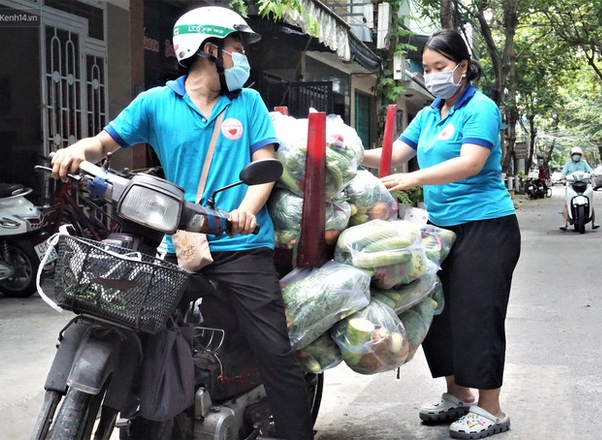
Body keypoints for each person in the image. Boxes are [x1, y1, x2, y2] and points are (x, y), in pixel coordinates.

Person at [51, 6, 314, 440]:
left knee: (274, 349)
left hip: (240, 245)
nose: (240, 57)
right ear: (209, 50)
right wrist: (77, 150)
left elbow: (264, 163)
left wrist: (246, 210)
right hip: (181, 246)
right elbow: (104, 141)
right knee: (142, 330)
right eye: (235, 47)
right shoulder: (156, 102)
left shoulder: (248, 104)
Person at [362, 29, 520, 439]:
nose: (431, 75)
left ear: (462, 68)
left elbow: (470, 162)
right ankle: (458, 395)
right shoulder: (429, 113)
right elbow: (393, 154)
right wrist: (338, 147)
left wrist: (411, 176)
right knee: (438, 310)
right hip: (440, 229)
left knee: (477, 314)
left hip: (486, 227)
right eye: (427, 69)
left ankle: (492, 408)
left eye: (439, 68)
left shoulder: (480, 109)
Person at [559, 146, 599, 230]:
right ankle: (564, 223)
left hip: (584, 184)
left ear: (581, 155)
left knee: (590, 202)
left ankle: (593, 222)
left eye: (578, 154)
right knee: (566, 204)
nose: (576, 156)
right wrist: (563, 177)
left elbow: (590, 171)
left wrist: (592, 174)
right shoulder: (568, 164)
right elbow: (563, 174)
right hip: (571, 185)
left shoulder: (584, 163)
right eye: (574, 154)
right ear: (571, 155)